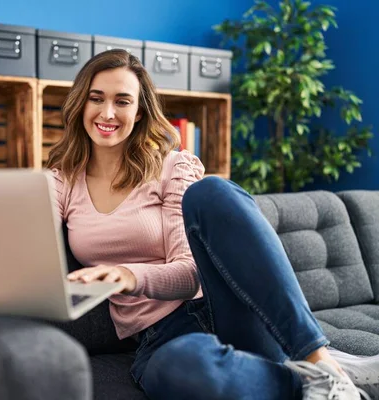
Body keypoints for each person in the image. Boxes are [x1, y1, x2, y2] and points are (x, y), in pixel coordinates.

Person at [45, 49, 376, 400]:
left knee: (211, 192)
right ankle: (322, 379)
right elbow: (25, 238)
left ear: (139, 111)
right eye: (96, 98)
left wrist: (129, 275)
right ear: (81, 103)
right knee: (180, 369)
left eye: (122, 101)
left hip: (225, 310)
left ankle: (321, 362)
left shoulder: (172, 168)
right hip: (159, 338)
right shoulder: (63, 181)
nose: (107, 113)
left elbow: (189, 275)